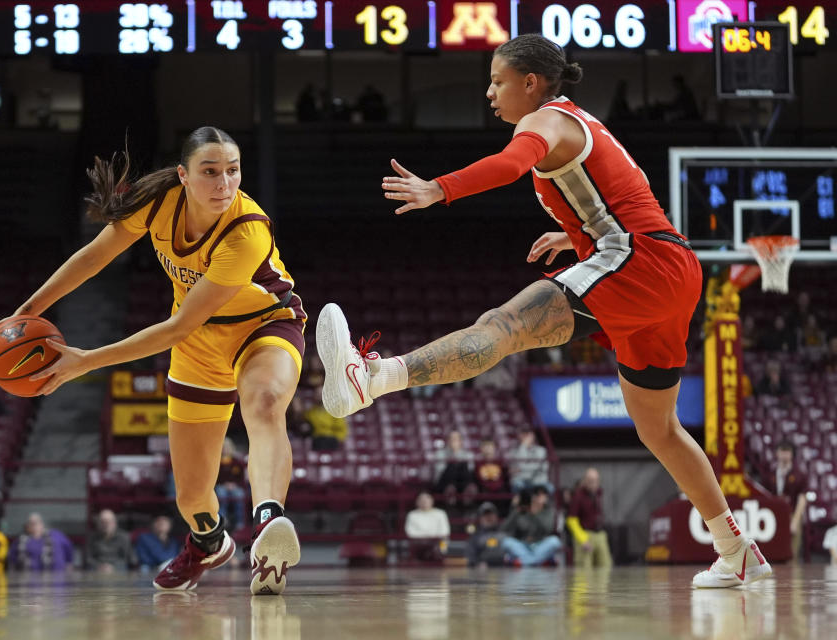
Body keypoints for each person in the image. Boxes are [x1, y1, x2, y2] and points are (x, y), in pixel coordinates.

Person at [315, 34, 769, 588]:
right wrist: (576, 233)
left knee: (502, 325)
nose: (489, 92)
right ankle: (735, 548)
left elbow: (510, 165)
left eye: (497, 81)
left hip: (640, 261)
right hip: (669, 269)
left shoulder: (544, 122)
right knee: (661, 430)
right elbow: (624, 199)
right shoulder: (580, 122)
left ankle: (373, 378)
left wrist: (440, 189)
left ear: (530, 83)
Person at [0, 127, 304, 595]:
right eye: (211, 172)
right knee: (192, 494)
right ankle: (207, 543)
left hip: (263, 328)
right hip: (199, 346)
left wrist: (87, 360)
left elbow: (177, 325)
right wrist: (28, 309)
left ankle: (268, 524)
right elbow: (93, 257)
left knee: (263, 402)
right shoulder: (157, 202)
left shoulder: (248, 231)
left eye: (233, 171)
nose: (224, 183)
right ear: (183, 175)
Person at [764, 440, 807, 560]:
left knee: (792, 551)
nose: (784, 455)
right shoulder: (771, 474)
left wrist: (795, 520)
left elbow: (802, 498)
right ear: (777, 453)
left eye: (787, 451)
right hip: (773, 517)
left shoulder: (799, 475)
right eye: (782, 451)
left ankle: (794, 576)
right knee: (774, 551)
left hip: (792, 514)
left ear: (792, 454)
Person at [500, 487, 563, 566]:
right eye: (537, 495)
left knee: (555, 541)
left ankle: (524, 562)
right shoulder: (521, 510)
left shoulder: (548, 511)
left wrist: (536, 514)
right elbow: (504, 528)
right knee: (506, 542)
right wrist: (515, 510)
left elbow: (548, 528)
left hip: (540, 545)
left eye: (542, 496)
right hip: (523, 546)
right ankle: (538, 561)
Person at [567, 468, 612, 568]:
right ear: (585, 481)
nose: (594, 484)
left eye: (596, 481)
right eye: (591, 481)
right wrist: (582, 539)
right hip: (585, 535)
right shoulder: (578, 495)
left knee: (605, 566)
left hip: (600, 534)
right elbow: (571, 520)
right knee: (584, 570)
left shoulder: (598, 493)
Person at [9, 512, 74, 571]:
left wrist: (69, 566)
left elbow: (69, 551)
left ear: (42, 524)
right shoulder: (20, 540)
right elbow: (12, 560)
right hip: (28, 578)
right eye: (31, 523)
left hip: (56, 577)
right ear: (27, 526)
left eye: (36, 522)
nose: (34, 526)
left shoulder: (56, 536)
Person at [432, 430, 477, 508]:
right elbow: (440, 470)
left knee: (463, 464)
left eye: (456, 439)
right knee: (452, 465)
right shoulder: (440, 453)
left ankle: (467, 494)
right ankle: (450, 492)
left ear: (461, 441)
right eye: (451, 439)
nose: (454, 441)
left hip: (462, 481)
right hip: (445, 482)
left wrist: (457, 454)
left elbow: (470, 470)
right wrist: (453, 454)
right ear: (447, 441)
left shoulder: (468, 454)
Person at [404, 492, 450, 562]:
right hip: (419, 541)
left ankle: (442, 558)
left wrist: (432, 538)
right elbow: (410, 532)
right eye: (421, 500)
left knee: (444, 541)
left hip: (437, 541)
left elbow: (445, 530)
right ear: (417, 502)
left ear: (432, 501)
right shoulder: (412, 514)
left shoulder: (441, 513)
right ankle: (416, 559)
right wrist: (426, 538)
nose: (424, 502)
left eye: (426, 500)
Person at [216, 438, 247, 530]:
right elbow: (214, 478)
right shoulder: (216, 461)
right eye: (223, 447)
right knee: (221, 494)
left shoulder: (237, 462)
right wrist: (224, 484)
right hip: (221, 486)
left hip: (235, 487)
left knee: (239, 494)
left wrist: (234, 485)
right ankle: (222, 520)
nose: (225, 449)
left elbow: (241, 478)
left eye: (227, 447)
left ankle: (240, 522)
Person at [507, 429, 551, 494]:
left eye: (528, 435)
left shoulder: (541, 450)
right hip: (521, 480)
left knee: (550, 488)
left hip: (537, 480)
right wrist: (523, 446)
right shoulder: (513, 451)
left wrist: (521, 469)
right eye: (524, 435)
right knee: (517, 485)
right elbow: (520, 466)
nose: (526, 438)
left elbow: (544, 468)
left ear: (533, 436)